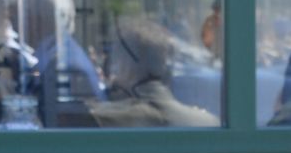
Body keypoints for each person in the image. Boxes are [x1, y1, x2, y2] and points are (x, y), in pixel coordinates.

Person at [87, 16, 218, 128]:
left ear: (126, 66)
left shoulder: (102, 120)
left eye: (116, 62)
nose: (113, 75)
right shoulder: (209, 123)